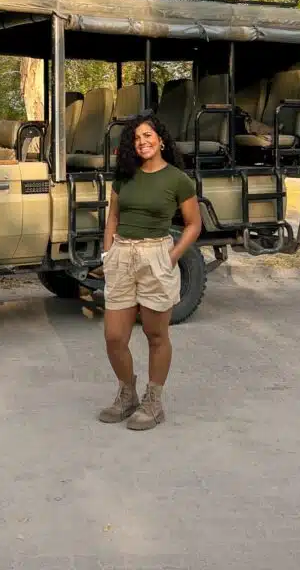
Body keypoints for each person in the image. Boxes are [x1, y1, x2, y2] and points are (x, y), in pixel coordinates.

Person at [97, 113, 202, 430]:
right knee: (114, 337)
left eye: (147, 136)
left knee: (156, 334)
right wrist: (108, 253)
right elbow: (112, 217)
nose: (142, 142)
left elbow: (194, 224)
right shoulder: (125, 176)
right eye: (136, 138)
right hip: (122, 255)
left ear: (161, 140)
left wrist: (171, 256)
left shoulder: (177, 180)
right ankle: (127, 394)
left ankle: (153, 402)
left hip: (156, 255)